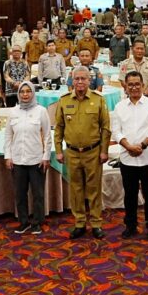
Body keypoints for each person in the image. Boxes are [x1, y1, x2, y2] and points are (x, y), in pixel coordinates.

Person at [55, 66, 111, 240]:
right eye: (77, 79)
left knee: (94, 189)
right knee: (76, 189)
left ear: (89, 80)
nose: (80, 82)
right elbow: (59, 128)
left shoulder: (98, 100)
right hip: (72, 153)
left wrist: (104, 151)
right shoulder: (64, 100)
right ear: (72, 81)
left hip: (93, 152)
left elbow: (105, 128)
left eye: (83, 78)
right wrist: (58, 150)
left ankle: (96, 223)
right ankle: (79, 222)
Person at [112, 71, 148, 240]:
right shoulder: (119, 107)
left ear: (142, 85)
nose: (134, 87)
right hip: (127, 158)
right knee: (130, 194)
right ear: (125, 87)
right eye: (130, 85)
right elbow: (116, 131)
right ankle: (130, 225)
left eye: (137, 84)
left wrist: (141, 146)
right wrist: (128, 146)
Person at [5, 82, 52, 235]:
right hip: (18, 160)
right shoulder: (13, 112)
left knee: (38, 194)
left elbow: (47, 136)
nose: (25, 94)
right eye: (22, 92)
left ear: (33, 93)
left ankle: (37, 222)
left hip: (36, 160)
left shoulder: (41, 111)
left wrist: (46, 156)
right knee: (20, 194)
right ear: (18, 94)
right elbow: (8, 136)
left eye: (28, 91)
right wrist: (8, 156)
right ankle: (23, 222)